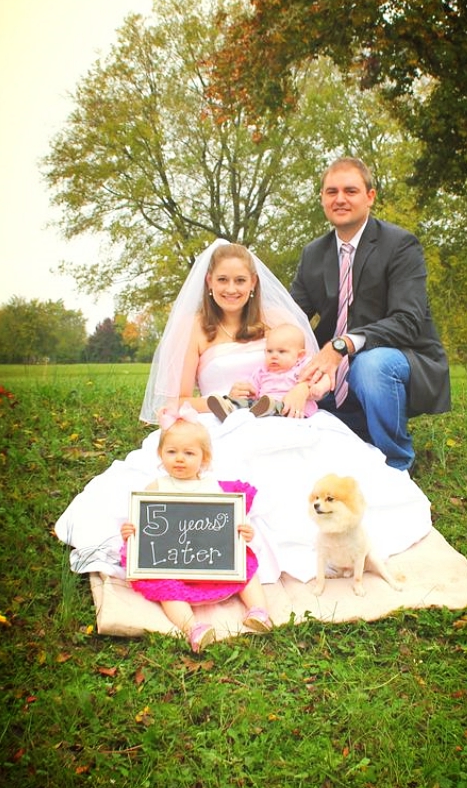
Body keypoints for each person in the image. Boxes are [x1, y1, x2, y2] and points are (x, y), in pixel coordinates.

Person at [55, 240, 434, 589]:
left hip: (284, 415)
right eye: (222, 280)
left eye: (239, 280)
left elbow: (310, 366)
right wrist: (221, 396)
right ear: (209, 282)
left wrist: (301, 387)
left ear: (253, 282)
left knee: (319, 467)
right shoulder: (196, 328)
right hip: (222, 419)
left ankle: (333, 544)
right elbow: (178, 401)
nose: (231, 288)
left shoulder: (273, 320)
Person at [290, 156, 451, 470]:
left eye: (350, 191)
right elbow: (293, 318)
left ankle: (396, 462)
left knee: (370, 364)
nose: (340, 199)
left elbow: (408, 320)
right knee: (285, 359)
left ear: (370, 196)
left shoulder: (400, 245)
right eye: (331, 191)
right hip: (332, 373)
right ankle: (344, 434)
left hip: (399, 357)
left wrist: (343, 345)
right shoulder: (313, 253)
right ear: (322, 198)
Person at [120, 407, 272, 652]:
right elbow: (145, 526)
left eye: (189, 453)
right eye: (171, 452)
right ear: (160, 454)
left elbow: (227, 525)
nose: (179, 458)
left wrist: (244, 532)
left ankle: (258, 611)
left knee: (245, 565)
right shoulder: (156, 487)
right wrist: (130, 532)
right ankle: (194, 628)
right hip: (173, 560)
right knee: (163, 586)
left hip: (208, 558)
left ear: (205, 458)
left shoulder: (214, 489)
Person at [206, 323, 331, 421]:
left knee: (276, 405)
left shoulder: (304, 366)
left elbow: (325, 377)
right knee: (248, 403)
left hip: (293, 407)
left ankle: (267, 408)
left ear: (300, 355)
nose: (274, 356)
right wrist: (247, 391)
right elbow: (253, 389)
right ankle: (229, 407)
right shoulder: (262, 371)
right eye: (269, 351)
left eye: (281, 352)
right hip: (263, 403)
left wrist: (320, 387)